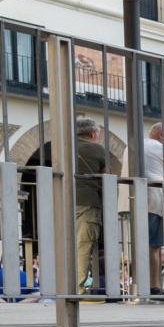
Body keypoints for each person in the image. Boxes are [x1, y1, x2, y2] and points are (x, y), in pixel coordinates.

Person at [70, 118, 113, 292]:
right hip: (88, 202)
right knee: (83, 246)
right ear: (93, 133)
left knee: (65, 244)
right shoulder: (98, 149)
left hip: (64, 201)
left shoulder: (67, 147)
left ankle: (62, 286)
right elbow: (107, 177)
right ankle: (80, 290)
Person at [141, 122, 164, 292]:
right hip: (154, 201)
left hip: (130, 200)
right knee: (154, 246)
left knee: (137, 244)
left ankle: (140, 285)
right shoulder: (163, 150)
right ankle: (154, 286)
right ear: (161, 136)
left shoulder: (133, 145)